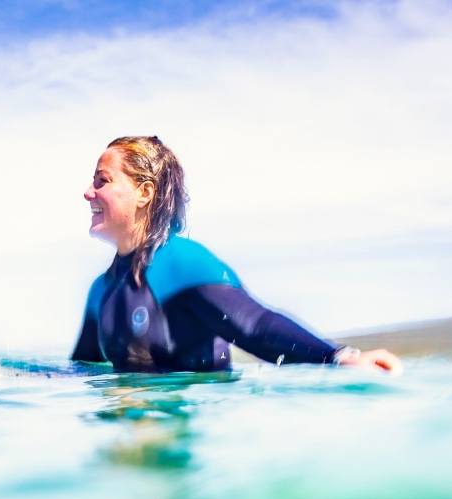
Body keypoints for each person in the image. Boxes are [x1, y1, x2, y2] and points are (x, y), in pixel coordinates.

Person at [74, 135, 402, 375]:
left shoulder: (181, 264)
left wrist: (340, 357)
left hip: (179, 438)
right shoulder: (100, 291)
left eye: (102, 181)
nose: (88, 192)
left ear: (145, 192)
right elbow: (84, 368)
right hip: (119, 443)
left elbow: (256, 325)